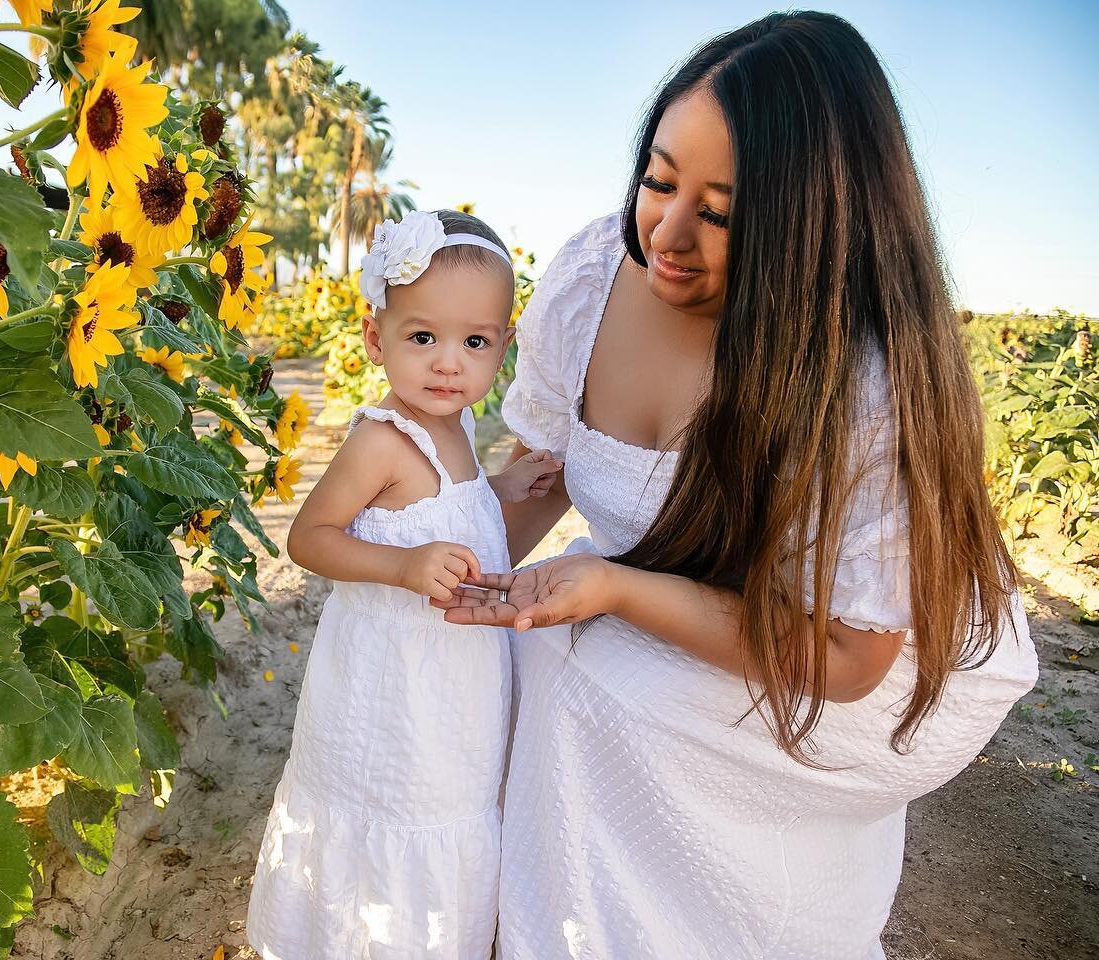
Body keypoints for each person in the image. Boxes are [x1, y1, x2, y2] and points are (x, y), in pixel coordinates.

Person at [433, 12, 1039, 960]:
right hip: (681, 588)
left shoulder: (865, 385)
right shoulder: (597, 274)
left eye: (719, 211)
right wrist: (435, 567)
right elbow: (541, 476)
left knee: (606, 699)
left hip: (836, 654)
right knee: (532, 668)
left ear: (815, 227)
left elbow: (847, 659)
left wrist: (621, 588)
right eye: (658, 180)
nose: (667, 234)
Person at [246, 209, 563, 958]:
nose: (448, 363)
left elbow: (453, 511)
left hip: (454, 687)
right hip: (391, 689)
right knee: (392, 810)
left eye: (474, 342)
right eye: (423, 337)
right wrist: (402, 568)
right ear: (373, 337)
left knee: (450, 800)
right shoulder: (379, 439)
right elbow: (309, 537)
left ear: (502, 349)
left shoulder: (454, 430)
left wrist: (502, 486)